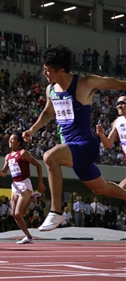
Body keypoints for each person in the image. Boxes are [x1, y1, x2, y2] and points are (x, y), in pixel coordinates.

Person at [22, 46, 126, 231]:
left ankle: (55, 211)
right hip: (71, 147)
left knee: (50, 157)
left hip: (86, 145)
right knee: (101, 189)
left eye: (48, 70)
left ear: (61, 70)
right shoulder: (51, 90)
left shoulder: (84, 83)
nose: (44, 73)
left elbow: (119, 84)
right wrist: (32, 130)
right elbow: (47, 113)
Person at [0, 132, 45, 244]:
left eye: (13, 139)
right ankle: (28, 236)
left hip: (24, 183)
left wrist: (40, 183)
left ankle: (30, 196)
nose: (10, 141)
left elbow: (38, 165)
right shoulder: (8, 156)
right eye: (9, 139)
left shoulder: (23, 153)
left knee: (18, 214)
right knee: (15, 215)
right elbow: (4, 173)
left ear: (19, 142)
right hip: (15, 185)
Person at [96, 93, 126, 188]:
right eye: (117, 103)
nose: (119, 106)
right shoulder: (117, 121)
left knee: (121, 188)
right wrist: (101, 135)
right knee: (120, 189)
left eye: (122, 103)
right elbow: (108, 144)